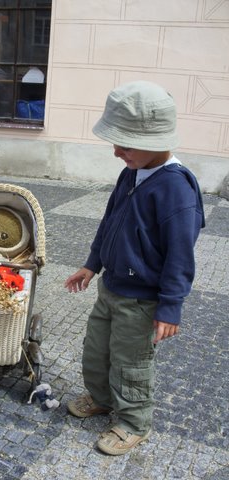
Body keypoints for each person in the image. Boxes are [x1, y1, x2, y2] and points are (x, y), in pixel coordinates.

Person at [64, 81, 205, 456]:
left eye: (124, 143)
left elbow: (180, 254)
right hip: (111, 289)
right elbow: (110, 220)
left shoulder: (176, 189)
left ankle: (132, 422)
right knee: (96, 351)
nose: (115, 151)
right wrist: (91, 264)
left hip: (142, 302)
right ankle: (101, 398)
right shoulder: (132, 171)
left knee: (131, 363)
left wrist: (171, 305)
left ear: (155, 140)